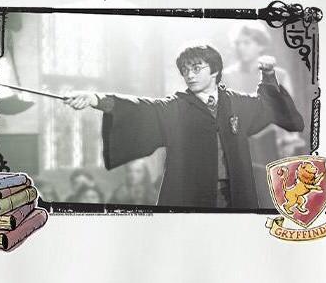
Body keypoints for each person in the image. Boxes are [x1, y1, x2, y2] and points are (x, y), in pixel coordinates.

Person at [64, 44, 302, 208]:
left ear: (215, 70)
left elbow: (267, 105)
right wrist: (95, 99)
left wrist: (268, 75)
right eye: (185, 70)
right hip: (191, 197)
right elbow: (141, 107)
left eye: (196, 68)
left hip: (236, 195)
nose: (189, 75)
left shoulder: (236, 103)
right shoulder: (176, 107)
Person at [221, 23, 307, 207]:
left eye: (247, 43)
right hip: (238, 144)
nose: (241, 47)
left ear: (260, 45)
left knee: (269, 198)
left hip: (270, 145)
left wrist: (288, 144)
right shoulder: (226, 76)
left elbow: (286, 114)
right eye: (237, 43)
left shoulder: (279, 76)